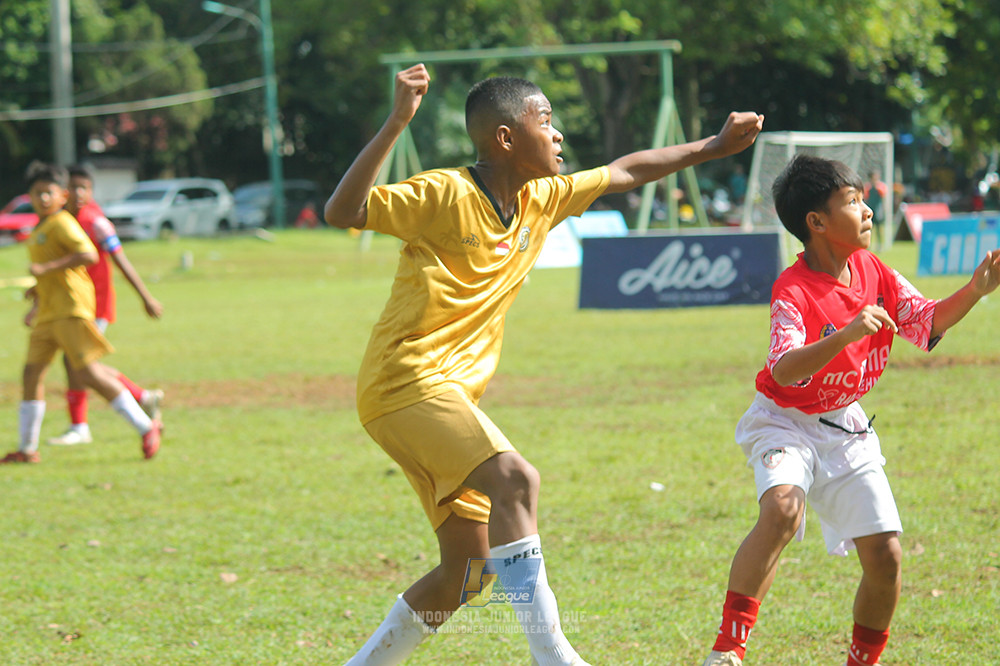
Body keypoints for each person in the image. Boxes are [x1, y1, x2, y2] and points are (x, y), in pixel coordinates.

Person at [325, 63, 763, 665]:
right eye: (546, 121)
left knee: (469, 571)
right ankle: (554, 657)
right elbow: (342, 212)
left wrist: (711, 147)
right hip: (405, 381)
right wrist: (398, 121)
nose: (558, 136)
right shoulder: (442, 193)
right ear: (505, 139)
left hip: (441, 397)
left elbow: (625, 171)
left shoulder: (540, 198)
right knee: (517, 479)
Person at [701, 154, 1000, 666]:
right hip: (783, 421)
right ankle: (728, 650)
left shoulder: (872, 269)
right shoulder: (792, 291)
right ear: (816, 222)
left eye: (863, 198)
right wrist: (846, 333)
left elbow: (924, 323)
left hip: (844, 427)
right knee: (781, 510)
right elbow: (785, 371)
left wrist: (975, 290)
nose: (867, 209)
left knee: (886, 556)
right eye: (853, 201)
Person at [1, 161, 163, 465]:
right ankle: (26, 449)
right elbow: (54, 267)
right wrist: (37, 292)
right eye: (37, 194)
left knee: (86, 372)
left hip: (71, 309)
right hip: (49, 314)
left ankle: (145, 426)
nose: (43, 199)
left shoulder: (62, 222)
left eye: (49, 193)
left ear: (61, 196)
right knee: (31, 373)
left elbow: (88, 254)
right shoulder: (41, 228)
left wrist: (45, 269)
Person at [47, 164, 164, 446]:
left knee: (77, 362)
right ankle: (143, 397)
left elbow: (121, 261)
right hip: (71, 304)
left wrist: (145, 297)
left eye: (83, 188)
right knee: (82, 363)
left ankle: (80, 427)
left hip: (96, 306)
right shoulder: (60, 221)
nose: (77, 193)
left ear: (91, 191)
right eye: (72, 187)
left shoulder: (97, 222)